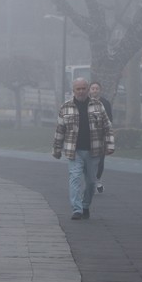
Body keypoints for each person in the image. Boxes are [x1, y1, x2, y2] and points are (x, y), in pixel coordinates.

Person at [52, 78, 114, 220]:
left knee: (91, 182)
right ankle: (77, 209)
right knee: (75, 178)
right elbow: (60, 130)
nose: (81, 91)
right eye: (78, 89)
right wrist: (56, 149)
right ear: (73, 90)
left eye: (83, 88)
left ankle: (85, 205)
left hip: (93, 150)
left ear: (88, 89)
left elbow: (107, 126)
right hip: (74, 151)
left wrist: (110, 145)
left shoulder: (98, 106)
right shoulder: (66, 107)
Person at [89, 81, 113, 194]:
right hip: (88, 136)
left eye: (97, 88)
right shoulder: (85, 102)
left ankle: (97, 179)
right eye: (93, 88)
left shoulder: (105, 103)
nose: (95, 90)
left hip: (101, 136)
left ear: (100, 90)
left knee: (100, 160)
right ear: (89, 90)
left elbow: (109, 119)